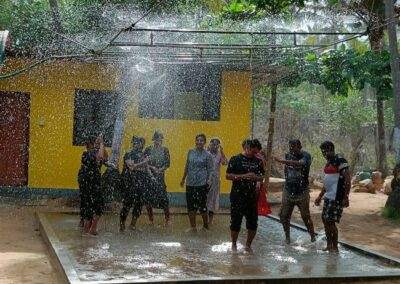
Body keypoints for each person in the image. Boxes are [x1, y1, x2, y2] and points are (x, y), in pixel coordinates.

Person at [226, 139, 265, 253]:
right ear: (247, 148)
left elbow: (261, 177)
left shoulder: (258, 161)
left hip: (252, 197)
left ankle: (248, 245)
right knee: (235, 221)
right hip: (237, 196)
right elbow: (228, 176)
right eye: (253, 152)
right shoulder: (235, 159)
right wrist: (244, 176)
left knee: (253, 222)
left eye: (257, 152)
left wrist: (256, 178)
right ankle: (234, 245)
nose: (255, 155)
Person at [274, 139, 316, 244]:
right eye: (290, 147)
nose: (292, 149)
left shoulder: (306, 156)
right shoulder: (288, 155)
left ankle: (313, 238)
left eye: (294, 147)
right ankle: (287, 237)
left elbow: (300, 164)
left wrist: (282, 161)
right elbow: (286, 170)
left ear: (300, 146)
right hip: (288, 190)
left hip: (302, 191)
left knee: (305, 216)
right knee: (283, 215)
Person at [315, 141, 351, 253]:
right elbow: (327, 182)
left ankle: (334, 247)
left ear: (331, 148)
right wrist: (320, 196)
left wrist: (346, 197)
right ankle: (329, 245)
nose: (323, 154)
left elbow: (347, 179)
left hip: (337, 197)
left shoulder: (340, 160)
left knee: (330, 222)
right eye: (322, 152)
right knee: (325, 220)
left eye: (325, 151)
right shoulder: (329, 162)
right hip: (328, 196)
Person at [180, 134, 214, 231]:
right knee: (190, 206)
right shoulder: (190, 152)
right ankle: (193, 227)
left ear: (204, 142)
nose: (199, 142)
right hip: (190, 183)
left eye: (201, 140)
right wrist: (183, 179)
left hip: (202, 184)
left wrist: (209, 180)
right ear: (195, 141)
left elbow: (210, 169)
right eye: (198, 140)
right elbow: (187, 165)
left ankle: (205, 226)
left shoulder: (208, 155)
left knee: (202, 206)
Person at [78, 134, 108, 235]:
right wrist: (102, 143)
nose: (97, 144)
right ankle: (92, 229)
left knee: (89, 206)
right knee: (98, 205)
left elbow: (105, 157)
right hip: (92, 183)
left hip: (88, 183)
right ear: (91, 144)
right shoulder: (89, 153)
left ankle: (87, 230)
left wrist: (101, 145)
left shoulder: (86, 153)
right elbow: (100, 157)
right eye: (95, 143)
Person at [119, 136, 149, 232]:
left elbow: (146, 168)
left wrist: (144, 165)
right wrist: (143, 163)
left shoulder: (143, 154)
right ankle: (122, 224)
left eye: (141, 143)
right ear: (134, 143)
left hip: (141, 182)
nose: (139, 145)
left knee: (139, 204)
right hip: (130, 183)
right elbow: (131, 167)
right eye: (137, 143)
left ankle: (132, 225)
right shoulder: (129, 154)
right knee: (127, 204)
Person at [144, 131, 171, 226]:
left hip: (160, 177)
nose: (158, 141)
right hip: (149, 177)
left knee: (164, 199)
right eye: (156, 139)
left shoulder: (165, 150)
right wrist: (153, 168)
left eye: (159, 139)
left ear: (162, 140)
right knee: (148, 199)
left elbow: (167, 163)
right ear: (153, 140)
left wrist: (160, 169)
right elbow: (144, 162)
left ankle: (167, 219)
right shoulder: (148, 149)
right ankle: (151, 219)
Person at [206, 138, 228, 225]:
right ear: (210, 144)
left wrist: (222, 152)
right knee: (205, 199)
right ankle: (205, 217)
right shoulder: (206, 153)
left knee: (213, 200)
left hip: (215, 181)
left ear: (218, 146)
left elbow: (225, 163)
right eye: (212, 144)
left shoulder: (219, 154)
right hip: (205, 179)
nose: (214, 146)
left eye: (216, 145)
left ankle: (210, 220)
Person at [252, 139, 271, 216]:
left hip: (257, 179)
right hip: (256, 178)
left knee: (257, 195)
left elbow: (263, 169)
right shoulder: (256, 156)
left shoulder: (259, 157)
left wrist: (259, 179)